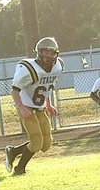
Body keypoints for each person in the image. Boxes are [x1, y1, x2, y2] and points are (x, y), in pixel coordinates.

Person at [5, 36, 64, 175]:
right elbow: (14, 91)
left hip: (40, 106)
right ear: (39, 52)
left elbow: (47, 86)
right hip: (27, 105)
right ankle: (20, 169)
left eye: (51, 53)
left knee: (46, 144)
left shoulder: (57, 67)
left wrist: (48, 105)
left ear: (56, 54)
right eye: (45, 52)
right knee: (36, 141)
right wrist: (22, 108)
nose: (48, 56)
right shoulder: (27, 68)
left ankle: (13, 151)